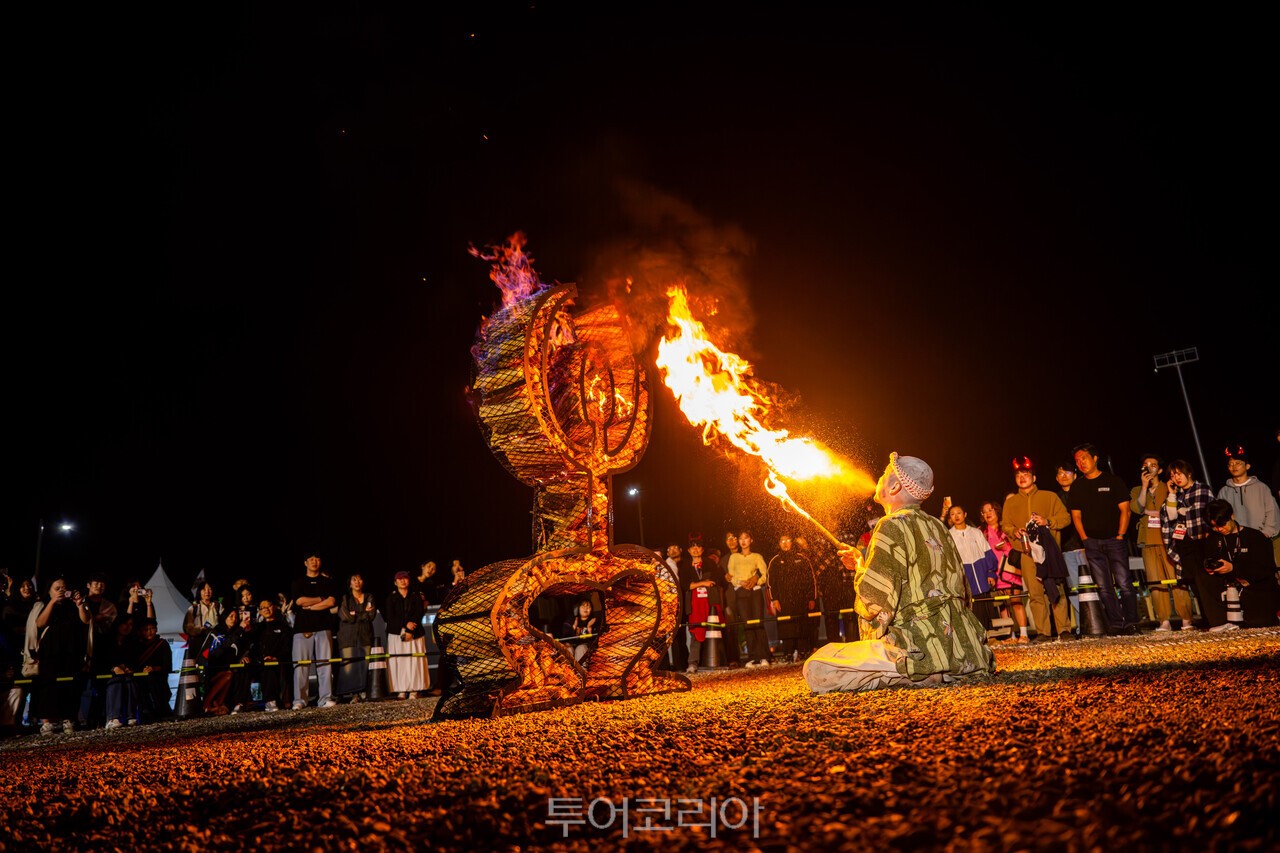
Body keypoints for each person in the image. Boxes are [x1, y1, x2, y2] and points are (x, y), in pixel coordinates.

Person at [803, 453, 994, 693]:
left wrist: (861, 571)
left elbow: (874, 599)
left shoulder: (890, 524)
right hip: (964, 647)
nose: (879, 477)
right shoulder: (937, 525)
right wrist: (862, 562)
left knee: (818, 665)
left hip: (917, 644)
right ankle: (939, 668)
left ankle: (923, 670)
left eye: (884, 473)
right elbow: (963, 592)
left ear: (894, 486)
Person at [1066, 443, 1139, 635]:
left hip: (1115, 541)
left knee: (1124, 582)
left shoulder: (1113, 481)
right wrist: (1085, 539)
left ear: (1095, 458)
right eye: (1077, 460)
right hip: (1092, 543)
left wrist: (1121, 535)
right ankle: (1116, 623)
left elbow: (1126, 510)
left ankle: (1131, 622)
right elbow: (1076, 516)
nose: (1081, 462)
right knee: (1104, 586)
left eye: (1084, 458)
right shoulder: (1077, 487)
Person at [1002, 458, 1074, 641]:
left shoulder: (1049, 496)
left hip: (1049, 552)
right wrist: (1014, 531)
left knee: (1056, 589)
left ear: (1034, 478)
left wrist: (1048, 521)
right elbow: (1005, 525)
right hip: (1027, 553)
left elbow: (1065, 518)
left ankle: (1064, 630)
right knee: (1035, 594)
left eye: (1025, 474)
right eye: (1018, 475)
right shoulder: (1011, 502)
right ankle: (1043, 632)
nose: (1022, 478)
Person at [1130, 454, 1195, 631]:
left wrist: (1156, 513)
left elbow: (1172, 510)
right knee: (1155, 582)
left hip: (1169, 539)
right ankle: (1163, 620)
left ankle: (1186, 619)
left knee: (1176, 580)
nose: (1148, 467)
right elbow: (1137, 508)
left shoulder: (1168, 486)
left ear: (1159, 469)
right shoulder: (1137, 490)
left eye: (1153, 465)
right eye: (1145, 464)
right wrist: (1144, 487)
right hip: (1148, 541)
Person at [1203, 499, 1280, 629]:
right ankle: (1220, 620)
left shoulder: (1255, 537)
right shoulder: (1214, 538)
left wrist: (1233, 568)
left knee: (1258, 622)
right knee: (1202, 577)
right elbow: (1207, 559)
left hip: (1254, 587)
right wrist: (1210, 567)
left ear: (1231, 516)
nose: (1220, 529)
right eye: (1215, 527)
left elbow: (1266, 570)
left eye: (1222, 524)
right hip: (1227, 587)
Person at [29, 577, 91, 734]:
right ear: (49, 591)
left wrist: (80, 605)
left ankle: (68, 718)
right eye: (57, 588)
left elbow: (86, 621)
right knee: (47, 686)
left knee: (70, 685)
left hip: (71, 650)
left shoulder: (73, 605)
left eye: (63, 588)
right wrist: (52, 602)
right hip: (50, 651)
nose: (61, 591)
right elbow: (40, 623)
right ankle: (47, 721)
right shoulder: (42, 604)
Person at [290, 552, 339, 710]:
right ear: (305, 562)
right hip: (302, 628)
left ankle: (325, 698)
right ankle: (299, 700)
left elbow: (331, 601)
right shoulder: (298, 582)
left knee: (325, 664)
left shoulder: (327, 582)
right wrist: (319, 599)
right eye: (310, 559)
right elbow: (299, 601)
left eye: (317, 558)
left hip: (324, 626)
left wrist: (310, 607)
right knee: (301, 665)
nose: (314, 562)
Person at [1217, 445, 1280, 564]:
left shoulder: (1261, 487)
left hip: (1261, 540)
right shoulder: (1224, 492)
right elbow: (1220, 517)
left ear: (1247, 466)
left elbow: (1272, 512)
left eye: (1238, 463)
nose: (1234, 466)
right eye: (1231, 464)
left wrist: (1265, 533)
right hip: (1237, 544)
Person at [980, 500, 1029, 642]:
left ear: (997, 511)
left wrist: (1005, 548)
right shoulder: (981, 531)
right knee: (1002, 604)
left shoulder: (1005, 528)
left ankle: (1024, 634)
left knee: (1015, 600)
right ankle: (1010, 635)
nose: (988, 513)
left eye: (991, 510)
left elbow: (1016, 550)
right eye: (984, 511)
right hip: (994, 573)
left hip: (1009, 570)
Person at [767, 533, 818, 662]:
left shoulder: (802, 559)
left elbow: (811, 580)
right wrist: (775, 599)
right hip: (783, 601)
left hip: (801, 600)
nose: (785, 543)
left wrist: (812, 598)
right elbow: (771, 582)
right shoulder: (775, 561)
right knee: (786, 627)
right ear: (779, 543)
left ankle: (803, 652)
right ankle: (788, 653)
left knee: (802, 626)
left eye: (788, 540)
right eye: (782, 541)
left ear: (792, 542)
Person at [946, 505, 999, 631]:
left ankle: (990, 635)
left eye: (959, 513)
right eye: (953, 514)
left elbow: (988, 553)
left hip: (981, 575)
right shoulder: (949, 535)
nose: (956, 516)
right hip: (965, 576)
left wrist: (991, 573)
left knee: (985, 606)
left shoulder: (976, 532)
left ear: (965, 514)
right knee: (970, 607)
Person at [726, 529, 771, 667]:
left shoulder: (757, 556)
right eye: (741, 538)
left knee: (758, 622)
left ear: (751, 540)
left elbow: (765, 574)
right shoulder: (734, 557)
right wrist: (741, 582)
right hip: (741, 592)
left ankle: (764, 656)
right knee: (747, 623)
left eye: (746, 538)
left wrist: (755, 581)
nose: (743, 541)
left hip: (755, 591)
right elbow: (731, 576)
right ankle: (752, 657)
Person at [679, 535, 721, 673]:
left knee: (714, 630)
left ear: (702, 550)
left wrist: (697, 584)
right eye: (692, 547)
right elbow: (686, 585)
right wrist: (703, 583)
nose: (695, 550)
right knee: (695, 633)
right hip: (694, 603)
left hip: (710, 601)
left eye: (698, 547)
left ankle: (716, 660)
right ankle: (693, 663)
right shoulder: (685, 566)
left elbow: (714, 581)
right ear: (689, 551)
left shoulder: (710, 563)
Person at [384, 571, 428, 699]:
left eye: (405, 578)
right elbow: (390, 617)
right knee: (399, 661)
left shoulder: (416, 596)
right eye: (400, 579)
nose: (403, 581)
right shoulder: (390, 598)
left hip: (415, 633)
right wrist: (404, 626)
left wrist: (410, 629)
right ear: (395, 582)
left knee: (414, 661)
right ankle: (401, 690)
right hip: (396, 633)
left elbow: (419, 613)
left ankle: (414, 690)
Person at [1054, 461, 1086, 631]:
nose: (1064, 476)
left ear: (1074, 475)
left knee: (1092, 585)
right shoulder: (1055, 499)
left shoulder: (1084, 493)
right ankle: (1082, 624)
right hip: (1066, 549)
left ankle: (1100, 620)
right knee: (1074, 588)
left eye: (1067, 473)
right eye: (1060, 473)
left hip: (1086, 546)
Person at [336, 573, 377, 702]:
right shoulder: (345, 598)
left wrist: (356, 614)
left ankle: (363, 691)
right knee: (349, 665)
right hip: (347, 637)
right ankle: (353, 694)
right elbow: (346, 616)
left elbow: (371, 615)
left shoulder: (369, 596)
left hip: (365, 635)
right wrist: (361, 614)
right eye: (354, 580)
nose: (357, 582)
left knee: (364, 664)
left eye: (359, 579)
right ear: (350, 584)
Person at [252, 599, 292, 712]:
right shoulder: (258, 628)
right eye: (262, 607)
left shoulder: (283, 626)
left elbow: (287, 646)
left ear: (273, 607)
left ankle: (281, 700)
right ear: (259, 612)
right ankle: (270, 701)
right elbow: (253, 647)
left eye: (268, 606)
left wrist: (277, 657)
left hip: (280, 660)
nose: (266, 609)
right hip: (261, 661)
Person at [102, 615, 141, 729]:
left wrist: (129, 668)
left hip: (126, 674)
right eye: (125, 624)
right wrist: (113, 668)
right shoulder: (106, 641)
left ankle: (131, 716)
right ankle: (113, 717)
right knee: (116, 682)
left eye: (130, 625)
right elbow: (100, 661)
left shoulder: (132, 643)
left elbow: (135, 660)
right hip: (108, 676)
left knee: (130, 681)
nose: (127, 627)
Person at [134, 617, 174, 722]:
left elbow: (167, 665)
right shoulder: (137, 645)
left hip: (158, 677)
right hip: (140, 678)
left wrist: (154, 669)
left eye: (152, 628)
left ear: (156, 629)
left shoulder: (162, 644)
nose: (149, 632)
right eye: (146, 629)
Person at [183, 582, 224, 655]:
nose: (207, 592)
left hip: (215, 642)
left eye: (209, 589)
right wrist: (200, 629)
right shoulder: (194, 608)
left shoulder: (218, 606)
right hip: (199, 642)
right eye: (204, 589)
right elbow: (188, 627)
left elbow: (224, 623)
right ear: (199, 592)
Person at [561, 598, 599, 665]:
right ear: (577, 608)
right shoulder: (571, 620)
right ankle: (568, 672)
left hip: (584, 647)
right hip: (571, 645)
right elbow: (565, 636)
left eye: (588, 606)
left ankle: (580, 673)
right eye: (583, 606)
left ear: (591, 609)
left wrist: (589, 628)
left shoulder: (593, 621)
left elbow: (595, 642)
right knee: (567, 648)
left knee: (580, 648)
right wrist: (574, 627)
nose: (585, 608)